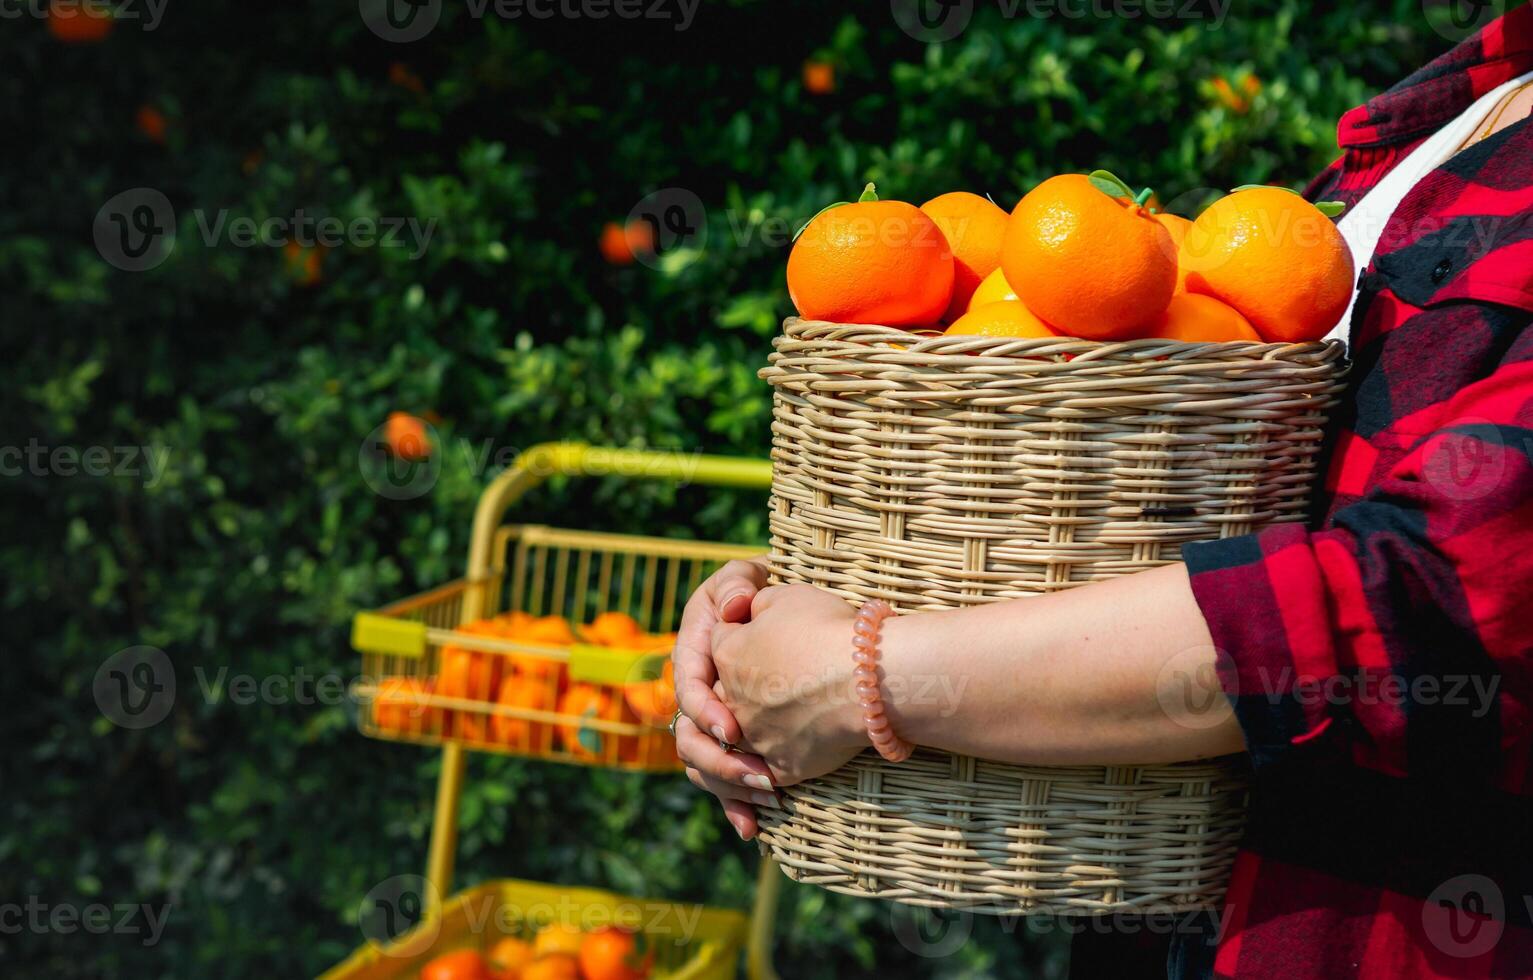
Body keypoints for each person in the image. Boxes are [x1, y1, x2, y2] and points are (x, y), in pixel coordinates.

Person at [671, 7, 1533, 978]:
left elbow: (1432, 598)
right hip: (1159, 920)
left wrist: (862, 671)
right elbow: (1210, 507)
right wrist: (790, 602)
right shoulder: (1436, 123)